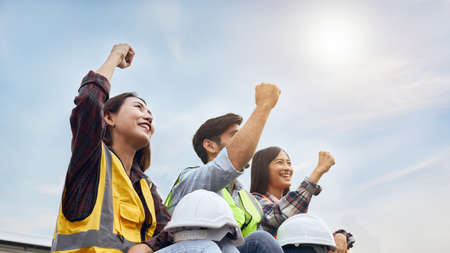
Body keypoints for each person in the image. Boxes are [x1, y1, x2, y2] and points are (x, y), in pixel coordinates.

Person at [52, 44, 221, 253]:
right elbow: (90, 100)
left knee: (244, 244)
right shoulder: (91, 162)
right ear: (108, 117)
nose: (148, 115)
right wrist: (115, 57)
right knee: (203, 249)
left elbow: (171, 231)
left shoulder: (145, 187)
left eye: (150, 113)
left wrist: (147, 246)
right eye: (138, 107)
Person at [164, 84, 284, 253]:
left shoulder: (249, 199)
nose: (246, 140)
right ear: (210, 145)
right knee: (260, 240)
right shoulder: (192, 181)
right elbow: (227, 164)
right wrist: (263, 106)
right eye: (236, 135)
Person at [250, 146, 355, 253]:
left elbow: (313, 235)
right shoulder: (254, 201)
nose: (287, 168)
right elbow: (280, 215)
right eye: (280, 162)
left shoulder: (294, 210)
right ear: (263, 169)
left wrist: (340, 236)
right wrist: (318, 171)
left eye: (289, 163)